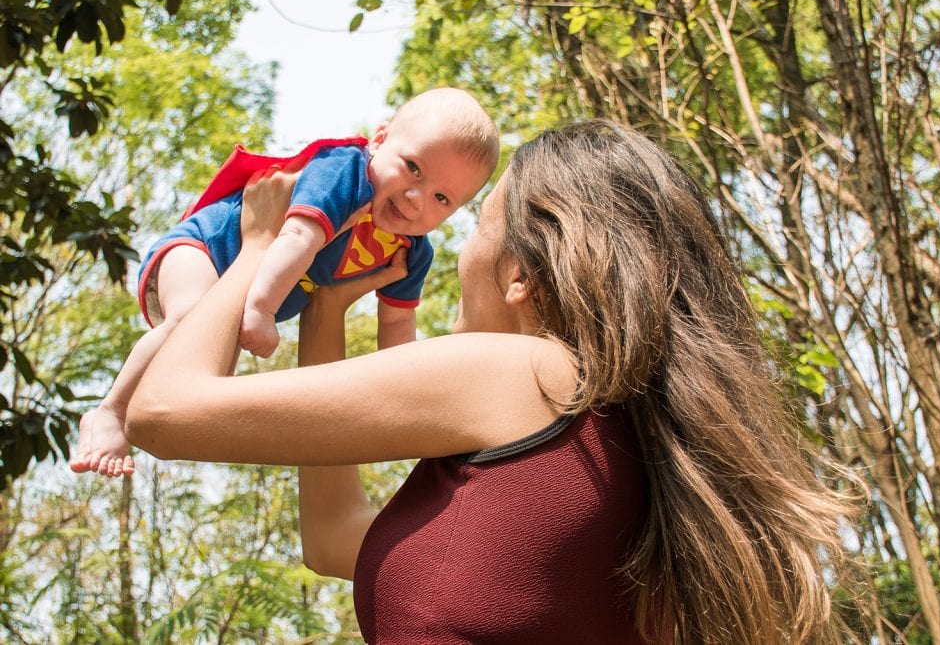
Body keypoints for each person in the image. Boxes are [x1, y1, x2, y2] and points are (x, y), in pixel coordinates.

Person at [124, 120, 849, 643]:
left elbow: (162, 411)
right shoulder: (614, 443)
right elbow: (334, 538)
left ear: (521, 276)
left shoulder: (527, 373)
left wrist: (257, 246)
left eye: (473, 228)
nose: (451, 243)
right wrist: (328, 307)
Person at [71, 87, 499, 479]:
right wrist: (261, 309)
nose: (416, 198)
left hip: (240, 292)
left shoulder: (410, 252)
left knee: (205, 374)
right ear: (380, 139)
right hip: (205, 248)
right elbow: (297, 237)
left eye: (442, 198)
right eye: (413, 168)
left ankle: (142, 415)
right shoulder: (345, 172)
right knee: (189, 317)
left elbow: (397, 329)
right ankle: (110, 410)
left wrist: (409, 400)